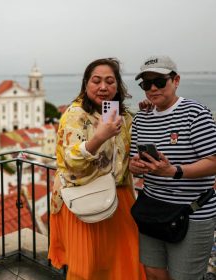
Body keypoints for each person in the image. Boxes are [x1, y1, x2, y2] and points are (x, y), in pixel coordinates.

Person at [48, 58, 146, 280]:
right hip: (83, 199)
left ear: (117, 86)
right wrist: (100, 136)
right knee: (88, 269)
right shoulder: (75, 114)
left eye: (110, 81)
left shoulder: (123, 116)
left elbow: (124, 158)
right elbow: (72, 161)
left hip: (119, 196)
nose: (103, 87)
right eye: (97, 81)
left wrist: (136, 164)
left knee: (125, 262)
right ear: (86, 84)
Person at [129, 55, 216, 280]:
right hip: (153, 209)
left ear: (176, 81)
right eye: (146, 84)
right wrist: (136, 166)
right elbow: (133, 165)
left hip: (191, 212)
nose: (153, 88)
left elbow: (214, 161)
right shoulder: (142, 119)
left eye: (160, 81)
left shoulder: (195, 114)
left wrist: (174, 171)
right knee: (153, 272)